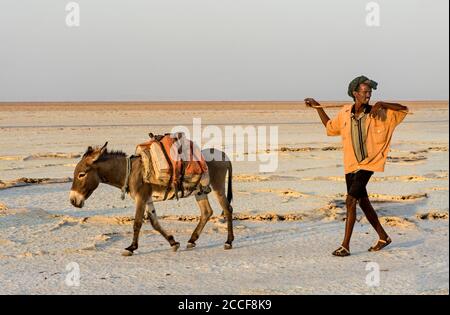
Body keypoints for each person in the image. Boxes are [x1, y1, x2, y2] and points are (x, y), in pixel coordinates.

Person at [305, 75, 409, 257]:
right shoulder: (345, 113)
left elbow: (404, 110)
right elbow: (330, 126)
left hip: (368, 163)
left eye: (370, 92)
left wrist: (383, 104)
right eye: (364, 92)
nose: (368, 95)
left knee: (350, 200)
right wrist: (317, 107)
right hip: (351, 164)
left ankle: (345, 245)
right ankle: (383, 237)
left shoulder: (378, 112)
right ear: (355, 93)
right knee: (363, 202)